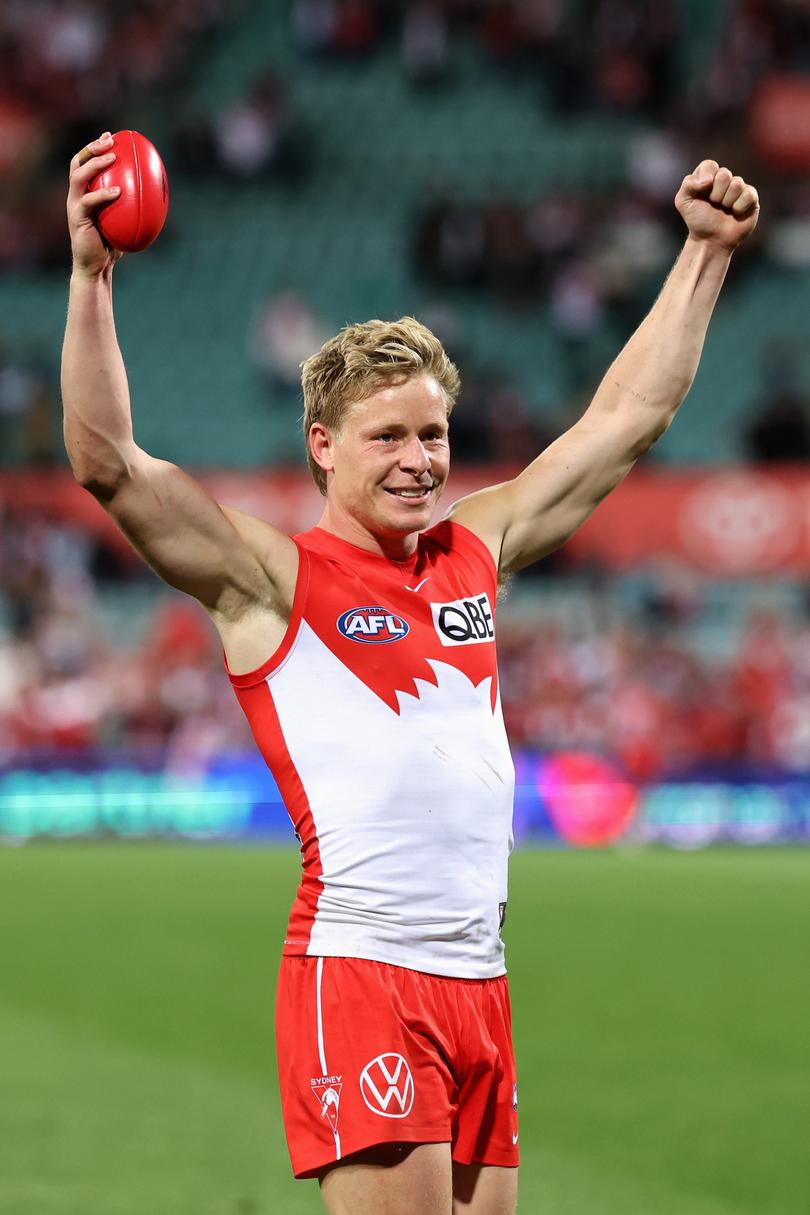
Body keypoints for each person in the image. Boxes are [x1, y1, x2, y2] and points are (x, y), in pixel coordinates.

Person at [61, 132, 759, 1215]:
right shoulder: (272, 581)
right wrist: (90, 276)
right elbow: (110, 463)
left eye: (434, 433)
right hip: (364, 972)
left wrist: (705, 255)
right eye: (388, 437)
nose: (420, 459)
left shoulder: (476, 548)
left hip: (481, 977)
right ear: (323, 445)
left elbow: (627, 420)